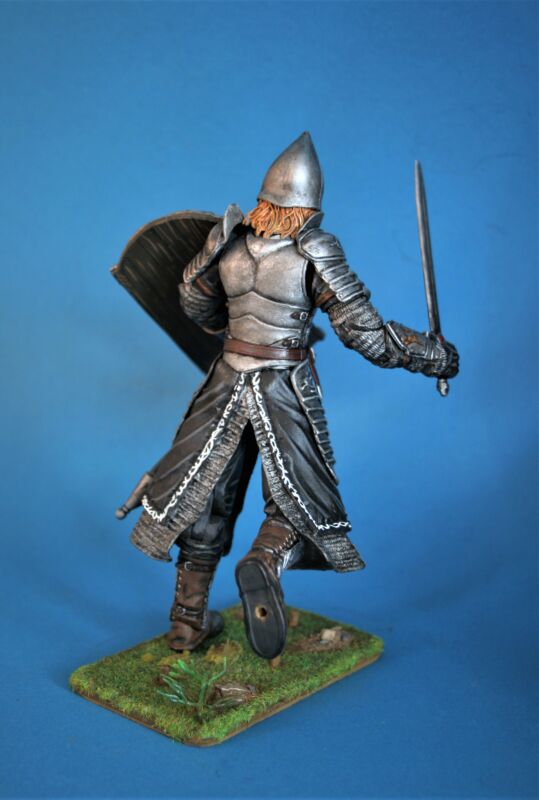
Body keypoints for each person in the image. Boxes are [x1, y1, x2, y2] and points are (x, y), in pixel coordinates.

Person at [116, 132, 459, 660]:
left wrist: (236, 320)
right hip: (282, 387)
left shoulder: (226, 241)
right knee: (297, 495)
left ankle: (186, 623)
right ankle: (264, 560)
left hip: (224, 382)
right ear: (311, 207)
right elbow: (364, 334)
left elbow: (195, 304)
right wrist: (434, 356)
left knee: (205, 492)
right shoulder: (315, 249)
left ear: (264, 198)